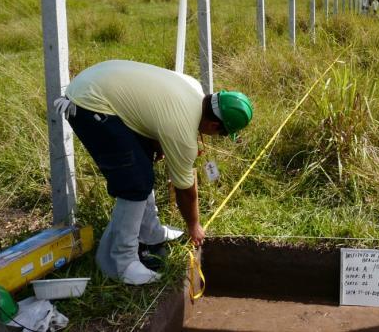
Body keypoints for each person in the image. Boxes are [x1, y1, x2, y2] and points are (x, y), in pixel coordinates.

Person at [55, 60, 253, 285]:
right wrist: (193, 225)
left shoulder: (192, 87)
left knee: (141, 165)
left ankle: (150, 231)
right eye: (224, 134)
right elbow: (186, 191)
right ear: (215, 126)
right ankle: (122, 262)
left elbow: (153, 109)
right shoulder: (183, 130)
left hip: (96, 82)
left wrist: (157, 146)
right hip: (89, 103)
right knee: (135, 183)